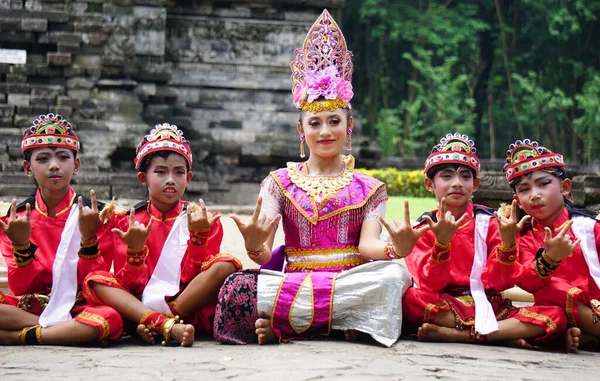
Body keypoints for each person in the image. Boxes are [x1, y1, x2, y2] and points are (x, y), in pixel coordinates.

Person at [213, 9, 413, 346]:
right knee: (238, 288)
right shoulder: (279, 182)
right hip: (295, 283)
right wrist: (252, 244)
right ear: (300, 129)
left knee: (395, 277)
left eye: (334, 121)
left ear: (348, 127)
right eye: (315, 123)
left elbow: (367, 247)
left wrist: (396, 249)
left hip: (350, 282)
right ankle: (338, 325)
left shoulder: (370, 188)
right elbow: (263, 256)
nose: (325, 131)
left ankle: (292, 322)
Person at [402, 133, 568, 348]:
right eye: (447, 176)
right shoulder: (422, 228)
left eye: (465, 177)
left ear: (476, 184)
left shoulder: (491, 223)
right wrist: (441, 244)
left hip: (491, 305)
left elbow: (501, 282)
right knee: (411, 299)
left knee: (555, 315)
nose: (457, 183)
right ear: (429, 184)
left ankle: (461, 335)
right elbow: (430, 284)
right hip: (446, 305)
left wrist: (508, 245)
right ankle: (503, 335)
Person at [82, 123, 241, 346]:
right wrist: (135, 252)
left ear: (189, 178)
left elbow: (193, 281)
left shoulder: (203, 220)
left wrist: (198, 238)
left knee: (227, 264)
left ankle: (160, 322)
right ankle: (163, 324)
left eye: (179, 172)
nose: (170, 180)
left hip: (185, 303)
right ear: (143, 178)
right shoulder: (124, 220)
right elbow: (130, 285)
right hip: (138, 305)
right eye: (160, 172)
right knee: (96, 280)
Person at [0, 113, 123, 345]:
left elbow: (95, 280)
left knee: (111, 318)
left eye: (63, 157)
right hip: (32, 306)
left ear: (75, 165)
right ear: (28, 167)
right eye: (43, 159)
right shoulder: (14, 220)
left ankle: (19, 337)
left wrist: (88, 237)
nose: (54, 166)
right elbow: (22, 287)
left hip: (79, 306)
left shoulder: (97, 215)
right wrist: (21, 245)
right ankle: (63, 331)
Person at [505, 139, 594, 352]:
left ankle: (587, 337)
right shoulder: (524, 237)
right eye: (525, 189)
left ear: (565, 187)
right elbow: (527, 281)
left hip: (594, 308)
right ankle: (584, 338)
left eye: (544, 184)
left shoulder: (589, 227)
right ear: (517, 199)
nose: (535, 194)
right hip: (556, 314)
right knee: (550, 292)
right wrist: (549, 259)